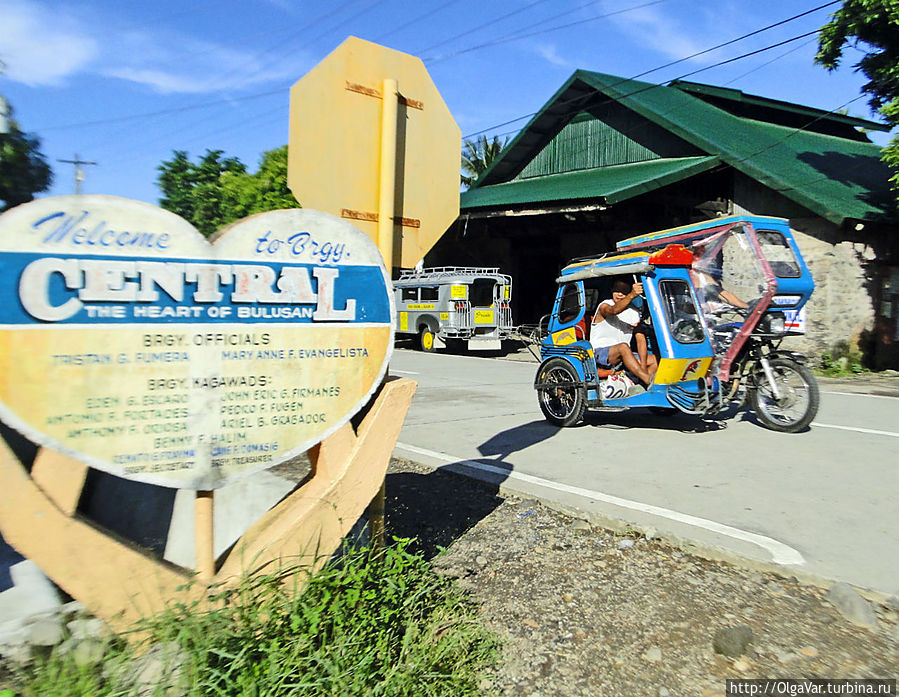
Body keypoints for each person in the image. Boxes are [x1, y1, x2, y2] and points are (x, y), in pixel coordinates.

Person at [591, 279, 657, 385]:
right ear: (611, 290)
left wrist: (643, 367)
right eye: (617, 290)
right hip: (602, 352)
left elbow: (640, 339)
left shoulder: (633, 312)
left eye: (624, 291)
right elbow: (613, 310)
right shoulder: (605, 305)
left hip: (625, 355)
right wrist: (631, 295)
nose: (620, 294)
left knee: (653, 360)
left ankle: (641, 385)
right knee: (623, 347)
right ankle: (649, 381)